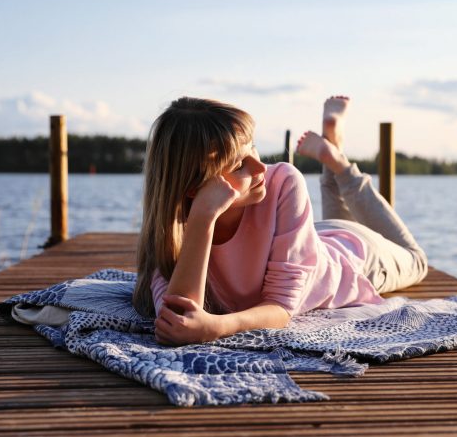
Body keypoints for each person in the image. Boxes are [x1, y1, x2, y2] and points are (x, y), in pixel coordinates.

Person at [132, 96, 428, 345]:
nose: (260, 166)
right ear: (193, 189)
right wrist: (202, 219)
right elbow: (180, 319)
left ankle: (337, 162)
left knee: (417, 261)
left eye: (253, 148)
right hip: (304, 243)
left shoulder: (283, 180)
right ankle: (331, 149)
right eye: (239, 164)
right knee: (328, 231)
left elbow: (280, 309)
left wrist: (216, 327)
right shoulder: (172, 231)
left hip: (351, 257)